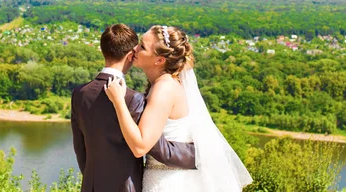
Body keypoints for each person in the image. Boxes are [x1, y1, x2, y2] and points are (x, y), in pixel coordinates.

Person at [105, 25, 253, 192]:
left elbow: (140, 147)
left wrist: (118, 101)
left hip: (167, 183)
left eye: (142, 46)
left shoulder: (164, 89)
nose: (135, 49)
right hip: (164, 176)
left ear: (159, 60)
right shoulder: (164, 84)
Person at [71, 24, 196, 192]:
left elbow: (80, 149)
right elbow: (152, 146)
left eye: (142, 46)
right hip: (128, 186)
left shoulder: (80, 93)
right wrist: (195, 155)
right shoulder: (135, 98)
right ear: (129, 55)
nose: (136, 49)